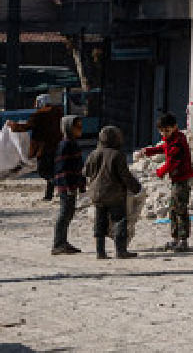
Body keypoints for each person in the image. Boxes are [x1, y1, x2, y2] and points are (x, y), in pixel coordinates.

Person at [83, 125, 141, 259]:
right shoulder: (117, 155)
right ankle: (121, 250)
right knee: (119, 220)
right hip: (114, 195)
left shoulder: (94, 153)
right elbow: (125, 176)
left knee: (100, 222)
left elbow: (85, 172)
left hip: (97, 194)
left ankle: (100, 251)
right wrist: (136, 188)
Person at [139, 113, 193, 252]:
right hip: (176, 180)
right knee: (173, 209)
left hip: (182, 180)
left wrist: (159, 171)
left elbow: (173, 162)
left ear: (175, 127)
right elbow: (163, 148)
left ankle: (183, 240)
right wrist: (148, 151)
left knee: (180, 209)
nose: (164, 134)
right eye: (162, 131)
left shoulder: (178, 142)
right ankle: (175, 239)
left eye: (167, 131)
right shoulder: (171, 139)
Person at [9, 95, 65, 201]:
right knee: (52, 170)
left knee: (43, 171)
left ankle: (58, 186)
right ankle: (49, 195)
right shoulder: (58, 113)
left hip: (43, 148)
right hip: (57, 146)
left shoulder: (39, 115)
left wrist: (13, 126)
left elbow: (27, 126)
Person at [51, 116, 86, 255]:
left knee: (69, 212)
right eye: (77, 126)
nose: (80, 129)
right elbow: (62, 169)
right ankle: (58, 244)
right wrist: (68, 187)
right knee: (65, 212)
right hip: (67, 186)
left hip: (72, 185)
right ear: (68, 128)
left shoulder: (73, 144)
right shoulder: (65, 145)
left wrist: (81, 184)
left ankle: (63, 242)